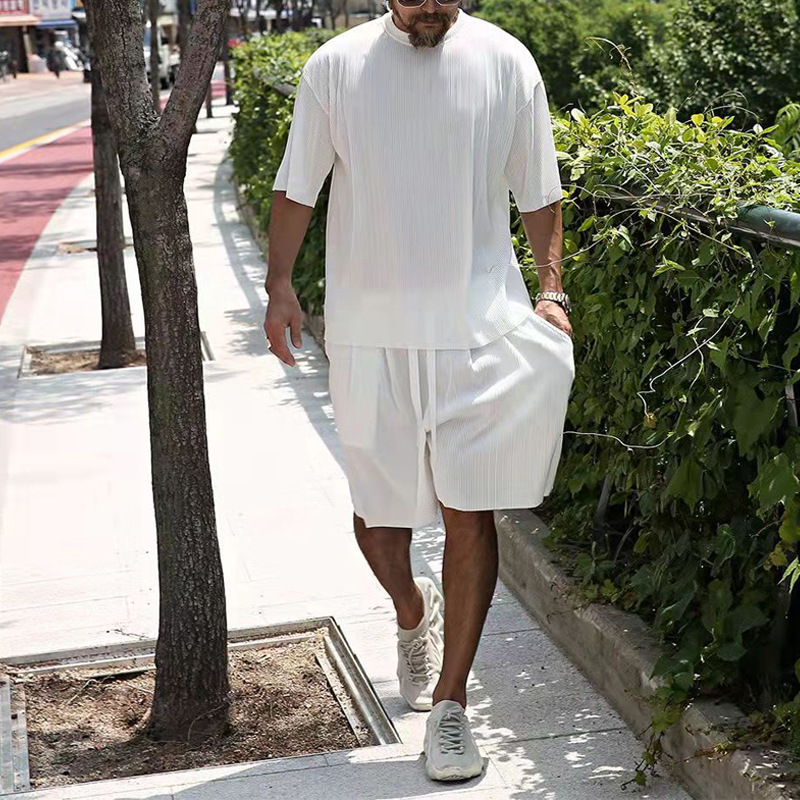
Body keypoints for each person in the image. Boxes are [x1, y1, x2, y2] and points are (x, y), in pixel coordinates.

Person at [264, 0, 574, 782]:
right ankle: (412, 610)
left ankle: (451, 706)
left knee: (471, 508)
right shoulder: (335, 67)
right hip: (368, 335)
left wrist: (551, 290)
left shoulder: (507, 61)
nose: (431, 6)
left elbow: (539, 189)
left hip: (479, 328)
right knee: (379, 516)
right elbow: (298, 186)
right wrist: (278, 285)